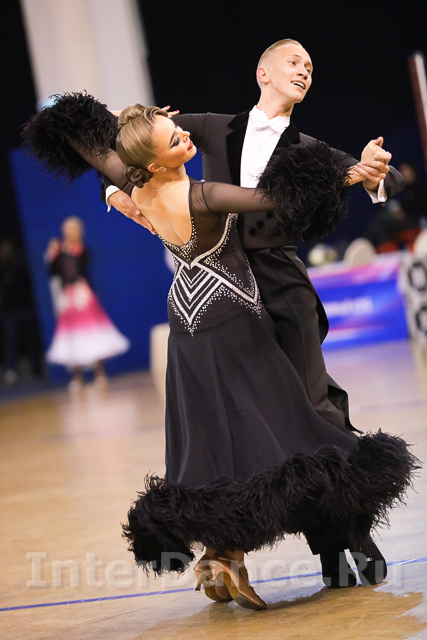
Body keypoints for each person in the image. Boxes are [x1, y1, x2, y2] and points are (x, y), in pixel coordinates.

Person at [23, 94, 417, 611]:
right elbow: (271, 198)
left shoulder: (137, 185)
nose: (185, 135)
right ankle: (238, 550)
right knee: (282, 431)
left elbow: (96, 149)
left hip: (185, 325)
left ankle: (221, 555)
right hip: (231, 320)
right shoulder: (202, 195)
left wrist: (94, 125)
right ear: (156, 161)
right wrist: (349, 174)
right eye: (174, 139)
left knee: (209, 443)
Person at [104, 39, 405, 437]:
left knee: (311, 399)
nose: (304, 71)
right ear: (263, 74)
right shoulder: (213, 126)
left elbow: (388, 178)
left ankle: (343, 471)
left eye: (309, 68)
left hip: (281, 282)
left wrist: (374, 171)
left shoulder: (309, 150)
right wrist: (112, 190)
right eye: (294, 62)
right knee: (250, 408)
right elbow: (131, 140)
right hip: (224, 287)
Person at [45, 216, 130, 391]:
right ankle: (77, 376)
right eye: (67, 230)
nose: (69, 233)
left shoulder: (83, 250)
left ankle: (99, 372)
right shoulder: (59, 251)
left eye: (72, 230)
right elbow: (54, 273)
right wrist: (53, 255)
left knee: (93, 331)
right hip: (68, 297)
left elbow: (82, 265)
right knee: (71, 336)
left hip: (83, 295)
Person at [364, 162, 427, 251]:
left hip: (413, 221)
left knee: (380, 222)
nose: (404, 174)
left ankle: (372, 245)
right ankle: (379, 245)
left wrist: (404, 212)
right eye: (402, 171)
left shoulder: (420, 189)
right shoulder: (404, 189)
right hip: (404, 219)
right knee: (379, 219)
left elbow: (419, 210)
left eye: (406, 170)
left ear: (412, 171)